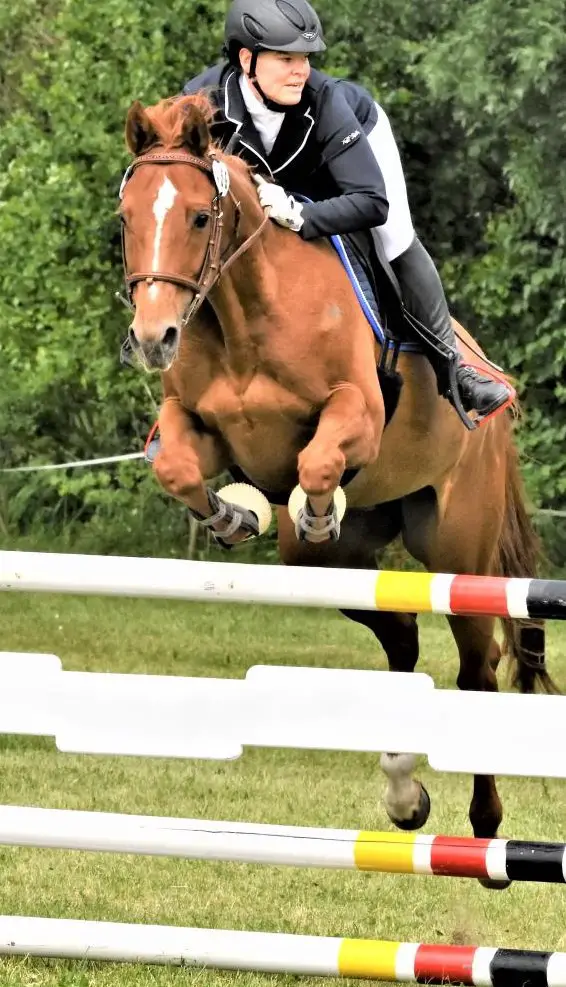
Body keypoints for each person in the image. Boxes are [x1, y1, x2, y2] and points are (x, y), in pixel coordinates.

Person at [182, 0, 512, 426]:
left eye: (304, 58)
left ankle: (455, 369)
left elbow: (372, 202)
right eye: (285, 58)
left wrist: (301, 215)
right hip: (270, 191)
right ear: (247, 59)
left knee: (394, 239)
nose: (300, 70)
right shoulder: (201, 102)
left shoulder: (328, 101)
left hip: (350, 164)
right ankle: (180, 402)